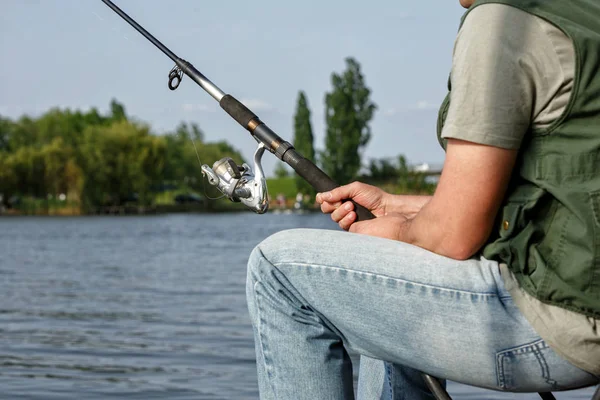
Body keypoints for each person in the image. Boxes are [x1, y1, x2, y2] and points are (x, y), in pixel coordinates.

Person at [246, 0, 600, 398]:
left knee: (276, 267)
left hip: (567, 322)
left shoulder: (503, 21)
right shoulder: (584, 14)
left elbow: (453, 235)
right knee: (383, 270)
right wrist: (397, 208)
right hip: (583, 298)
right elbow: (558, 200)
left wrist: (399, 232)